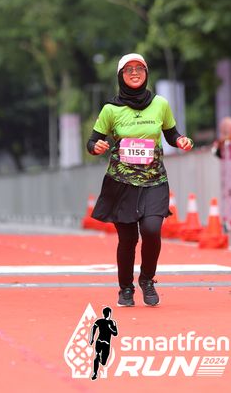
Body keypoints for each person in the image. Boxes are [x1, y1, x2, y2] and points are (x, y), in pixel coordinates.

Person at [87, 53, 193, 307]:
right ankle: (125, 288)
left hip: (154, 180)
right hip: (121, 183)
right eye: (129, 69)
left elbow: (171, 133)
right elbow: (92, 141)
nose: (134, 73)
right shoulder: (111, 109)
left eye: (139, 68)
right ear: (120, 76)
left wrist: (181, 140)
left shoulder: (160, 104)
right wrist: (96, 147)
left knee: (152, 230)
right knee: (128, 240)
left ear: (146, 73)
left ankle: (147, 280)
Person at [88, 306, 118, 381]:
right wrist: (91, 338)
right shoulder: (106, 322)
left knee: (101, 360)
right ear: (109, 313)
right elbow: (115, 333)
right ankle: (95, 372)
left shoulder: (106, 322)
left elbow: (93, 328)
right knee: (100, 358)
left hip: (102, 343)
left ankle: (97, 365)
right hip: (103, 342)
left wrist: (92, 338)